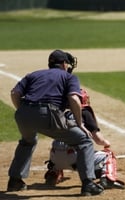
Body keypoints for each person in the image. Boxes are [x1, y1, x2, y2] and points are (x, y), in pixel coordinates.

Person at [7, 49, 104, 196]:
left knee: (28, 141)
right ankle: (88, 184)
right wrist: (80, 123)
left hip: (23, 113)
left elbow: (14, 93)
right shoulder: (68, 77)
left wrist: (24, 111)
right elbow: (74, 99)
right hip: (48, 113)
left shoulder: (34, 74)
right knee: (84, 141)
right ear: (65, 64)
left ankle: (15, 181)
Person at [44, 89, 125, 189]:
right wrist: (106, 143)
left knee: (60, 145)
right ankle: (108, 179)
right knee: (108, 155)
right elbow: (98, 139)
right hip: (76, 159)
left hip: (55, 158)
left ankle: (53, 173)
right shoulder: (85, 112)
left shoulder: (60, 113)